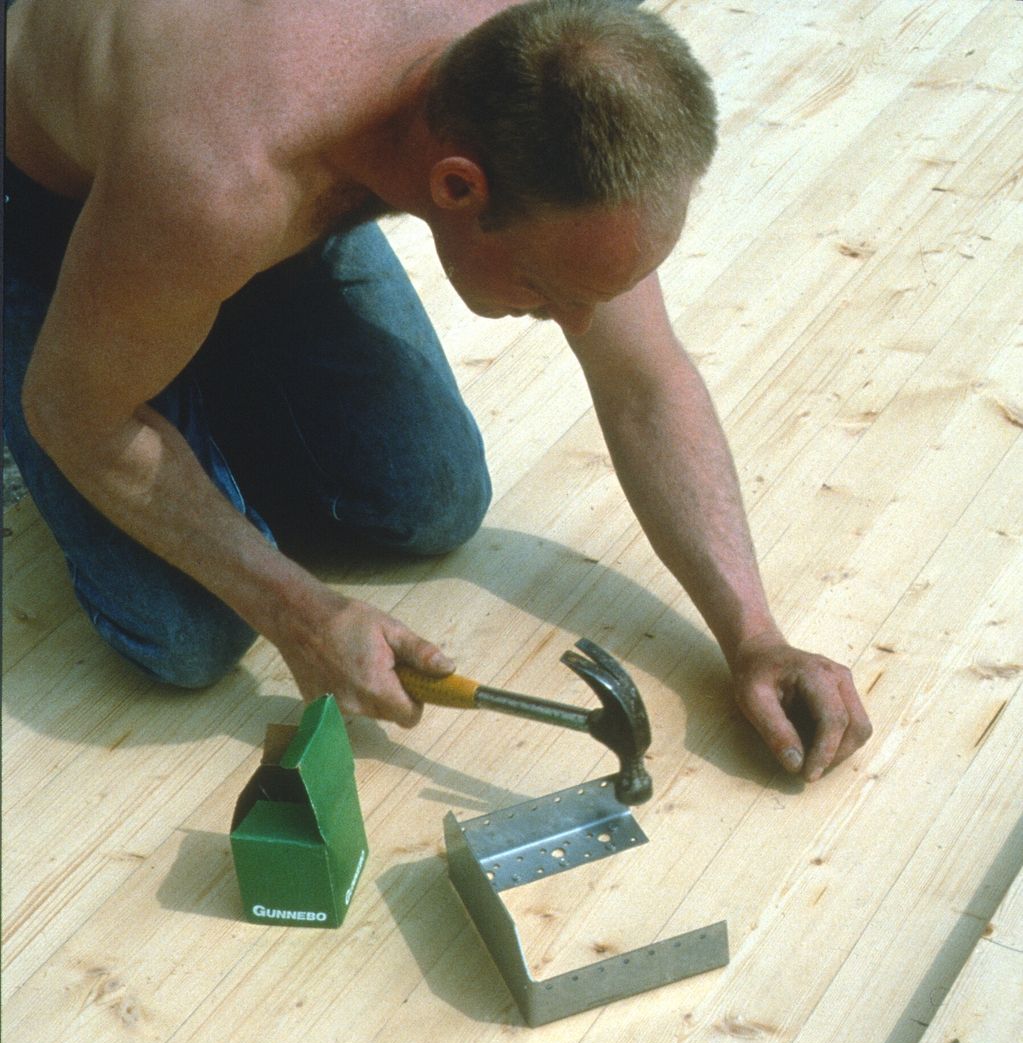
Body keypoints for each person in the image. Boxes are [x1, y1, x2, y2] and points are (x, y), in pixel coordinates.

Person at [4, 0, 871, 781]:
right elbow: (76, 417)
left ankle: (171, 323)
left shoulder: (548, 81)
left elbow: (643, 383)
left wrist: (755, 636)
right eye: (549, 288)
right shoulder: (224, 176)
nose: (578, 323)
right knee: (188, 637)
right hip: (47, 194)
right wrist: (300, 613)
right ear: (456, 186)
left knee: (430, 501)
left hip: (202, 210)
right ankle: (142, 321)